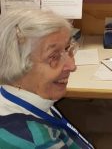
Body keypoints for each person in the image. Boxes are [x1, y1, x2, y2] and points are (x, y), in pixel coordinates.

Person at [0, 9, 94, 148]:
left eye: (68, 48)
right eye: (54, 56)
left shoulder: (31, 97)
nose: (72, 66)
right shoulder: (33, 141)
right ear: (16, 63)